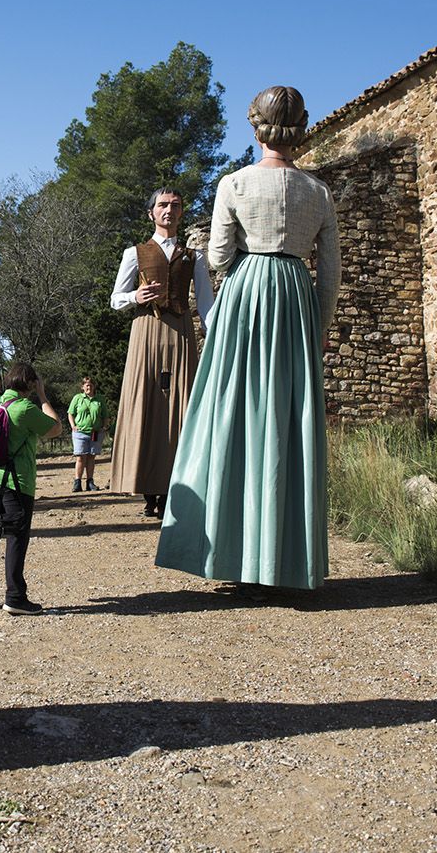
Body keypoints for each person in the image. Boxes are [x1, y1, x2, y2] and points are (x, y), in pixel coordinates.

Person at [157, 86, 340, 591]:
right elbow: (329, 274)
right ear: (301, 127)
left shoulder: (234, 184)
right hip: (295, 299)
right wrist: (317, 328)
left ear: (254, 128)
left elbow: (217, 257)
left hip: (246, 298)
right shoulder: (317, 192)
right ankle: (284, 560)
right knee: (285, 421)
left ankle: (232, 554)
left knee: (232, 416)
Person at [110, 186, 213, 518]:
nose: (169, 210)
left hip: (182, 334)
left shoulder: (194, 255)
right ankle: (149, 489)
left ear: (181, 213)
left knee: (181, 409)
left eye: (176, 205)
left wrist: (216, 337)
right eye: (163, 205)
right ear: (151, 213)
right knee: (148, 407)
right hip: (146, 333)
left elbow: (207, 304)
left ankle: (175, 488)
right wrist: (135, 297)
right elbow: (115, 299)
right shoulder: (134, 253)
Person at [0, 362, 64, 615]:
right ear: (30, 384)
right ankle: (15, 597)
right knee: (16, 536)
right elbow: (56, 427)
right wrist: (43, 395)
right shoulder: (25, 408)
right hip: (16, 481)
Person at [66, 376, 107, 493]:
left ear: (94, 387)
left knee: (91, 457)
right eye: (87, 385)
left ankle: (90, 482)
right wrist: (73, 425)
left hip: (95, 432)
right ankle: (77, 482)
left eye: (91, 385)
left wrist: (104, 427)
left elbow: (105, 415)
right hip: (80, 433)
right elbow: (70, 413)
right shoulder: (77, 398)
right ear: (82, 387)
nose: (89, 387)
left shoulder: (99, 399)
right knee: (80, 457)